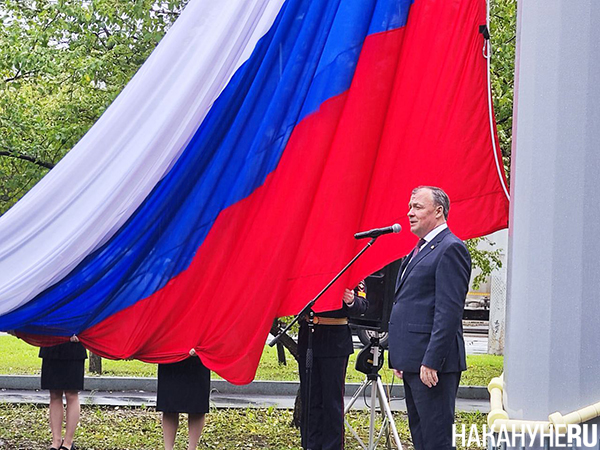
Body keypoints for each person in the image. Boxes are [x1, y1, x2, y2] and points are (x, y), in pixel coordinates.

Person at [388, 186, 471, 450]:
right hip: (414, 361)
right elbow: (411, 303)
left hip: (433, 365)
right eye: (410, 207)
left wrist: (431, 360)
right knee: (421, 438)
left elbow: (448, 312)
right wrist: (403, 356)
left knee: (436, 440)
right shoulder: (421, 249)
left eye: (417, 207)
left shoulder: (450, 248)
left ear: (438, 211)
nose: (409, 213)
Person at [297, 287, 368, 450]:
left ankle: (332, 446)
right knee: (309, 399)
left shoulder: (350, 269)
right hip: (309, 337)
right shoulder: (308, 266)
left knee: (332, 403)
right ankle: (310, 445)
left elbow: (363, 305)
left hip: (335, 342)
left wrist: (351, 300)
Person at [39, 335, 87, 450]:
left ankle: (68, 443)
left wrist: (80, 333)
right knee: (54, 393)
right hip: (51, 344)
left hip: (74, 347)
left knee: (71, 393)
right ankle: (56, 441)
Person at [157, 349, 210, 450]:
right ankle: (168, 448)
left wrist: (201, 346)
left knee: (197, 404)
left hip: (198, 352)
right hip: (170, 350)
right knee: (169, 404)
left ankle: (192, 447)